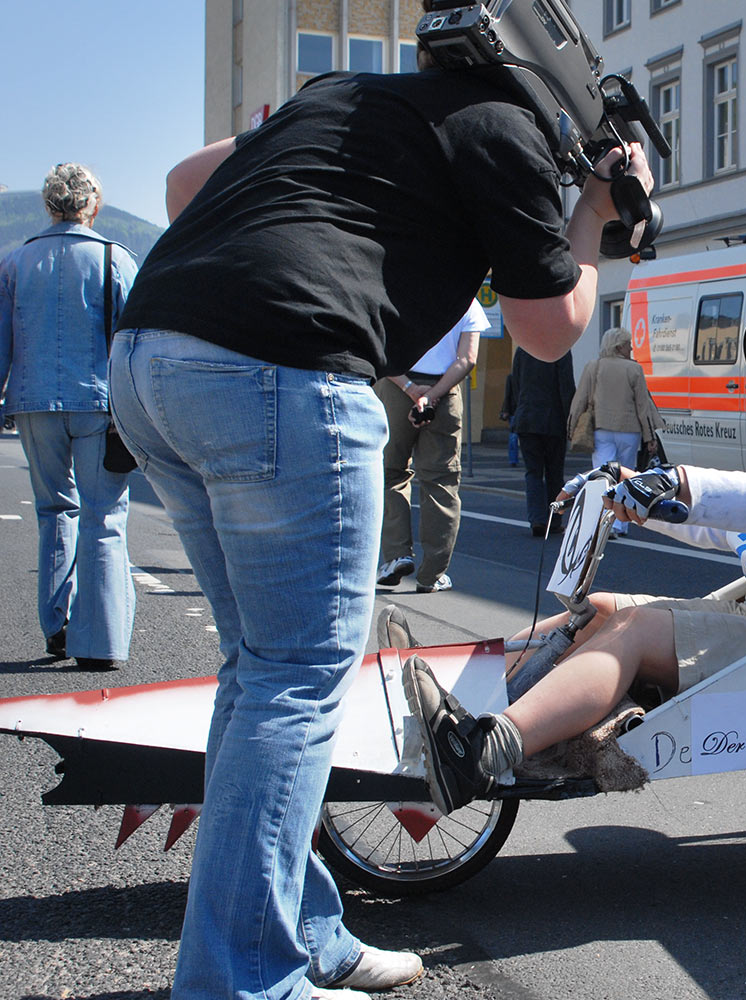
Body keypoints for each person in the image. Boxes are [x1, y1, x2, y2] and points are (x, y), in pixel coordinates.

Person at [107, 28, 653, 1000]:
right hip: (280, 369)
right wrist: (596, 216)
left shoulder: (347, 93)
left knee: (265, 677)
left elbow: (188, 183)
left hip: (152, 357)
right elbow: (548, 327)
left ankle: (302, 926)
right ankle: (242, 980)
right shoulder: (508, 131)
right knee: (294, 682)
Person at [401, 304, 746, 815]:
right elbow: (735, 530)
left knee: (631, 631)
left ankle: (483, 751)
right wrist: (636, 499)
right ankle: (456, 690)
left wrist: (680, 482)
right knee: (599, 609)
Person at [0, 164, 136, 671]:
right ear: (93, 205)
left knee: (55, 510)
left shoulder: (15, 262)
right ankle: (99, 642)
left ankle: (56, 626)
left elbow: (1, 342)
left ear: (47, 205)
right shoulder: (115, 260)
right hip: (99, 402)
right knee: (105, 515)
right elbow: (132, 338)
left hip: (34, 402)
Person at [376, 299, 488, 593]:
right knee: (441, 481)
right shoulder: (466, 301)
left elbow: (382, 350)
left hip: (397, 388)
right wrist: (434, 395)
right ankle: (432, 575)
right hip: (445, 393)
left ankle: (396, 554)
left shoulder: (397, 289)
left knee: (391, 472)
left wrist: (413, 391)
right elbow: (467, 359)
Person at [567, 326, 664, 536]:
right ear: (619, 346)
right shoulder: (634, 369)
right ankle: (620, 524)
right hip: (629, 431)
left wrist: (571, 426)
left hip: (602, 429)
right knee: (625, 477)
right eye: (628, 344)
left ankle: (602, 523)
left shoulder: (593, 367)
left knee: (603, 476)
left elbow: (580, 399)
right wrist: (650, 436)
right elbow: (643, 406)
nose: (631, 348)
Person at [509, 346, 576, 536]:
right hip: (553, 420)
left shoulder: (523, 349)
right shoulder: (560, 350)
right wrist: (569, 421)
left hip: (527, 418)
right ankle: (554, 520)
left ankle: (537, 519)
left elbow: (516, 383)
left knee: (533, 472)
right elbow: (566, 387)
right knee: (554, 472)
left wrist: (520, 408)